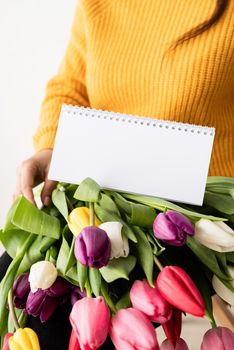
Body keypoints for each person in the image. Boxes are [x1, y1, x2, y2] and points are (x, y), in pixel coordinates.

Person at [1, 0, 234, 349]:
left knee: (71, 318)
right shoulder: (100, 4)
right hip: (106, 194)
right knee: (19, 282)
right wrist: (50, 147)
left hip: (196, 212)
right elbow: (70, 87)